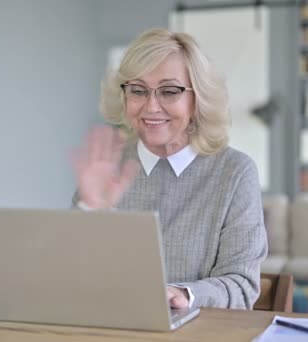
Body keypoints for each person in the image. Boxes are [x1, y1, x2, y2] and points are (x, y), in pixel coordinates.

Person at [71, 28, 268, 310]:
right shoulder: (107, 165)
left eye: (169, 91)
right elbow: (72, 278)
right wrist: (91, 210)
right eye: (138, 90)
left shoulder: (234, 172)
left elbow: (241, 286)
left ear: (197, 99)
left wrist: (185, 294)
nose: (151, 107)